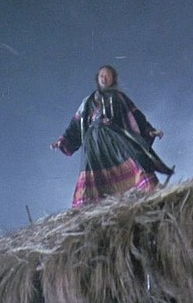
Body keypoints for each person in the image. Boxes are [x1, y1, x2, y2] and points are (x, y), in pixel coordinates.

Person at [51, 65, 174, 207]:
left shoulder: (120, 98)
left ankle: (146, 188)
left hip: (114, 136)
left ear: (113, 79)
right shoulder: (87, 102)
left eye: (108, 76)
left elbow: (136, 116)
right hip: (93, 143)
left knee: (135, 157)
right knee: (91, 170)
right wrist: (63, 141)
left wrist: (148, 130)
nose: (104, 78)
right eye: (101, 76)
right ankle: (90, 205)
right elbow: (75, 125)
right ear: (97, 79)